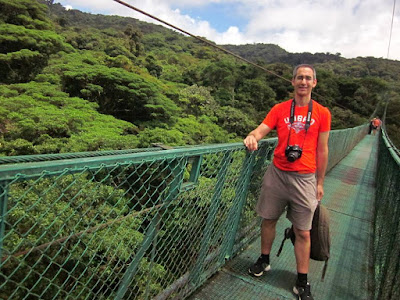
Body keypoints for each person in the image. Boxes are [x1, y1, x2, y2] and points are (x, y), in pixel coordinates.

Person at [243, 64, 331, 300]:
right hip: (278, 173)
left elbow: (323, 150)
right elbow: (262, 129)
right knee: (268, 219)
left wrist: (320, 182)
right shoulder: (280, 109)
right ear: (292, 82)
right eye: (299, 78)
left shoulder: (322, 113)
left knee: (303, 231)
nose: (303, 82)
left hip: (305, 179)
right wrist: (252, 136)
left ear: (314, 83)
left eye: (308, 78)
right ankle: (264, 260)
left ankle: (302, 280)